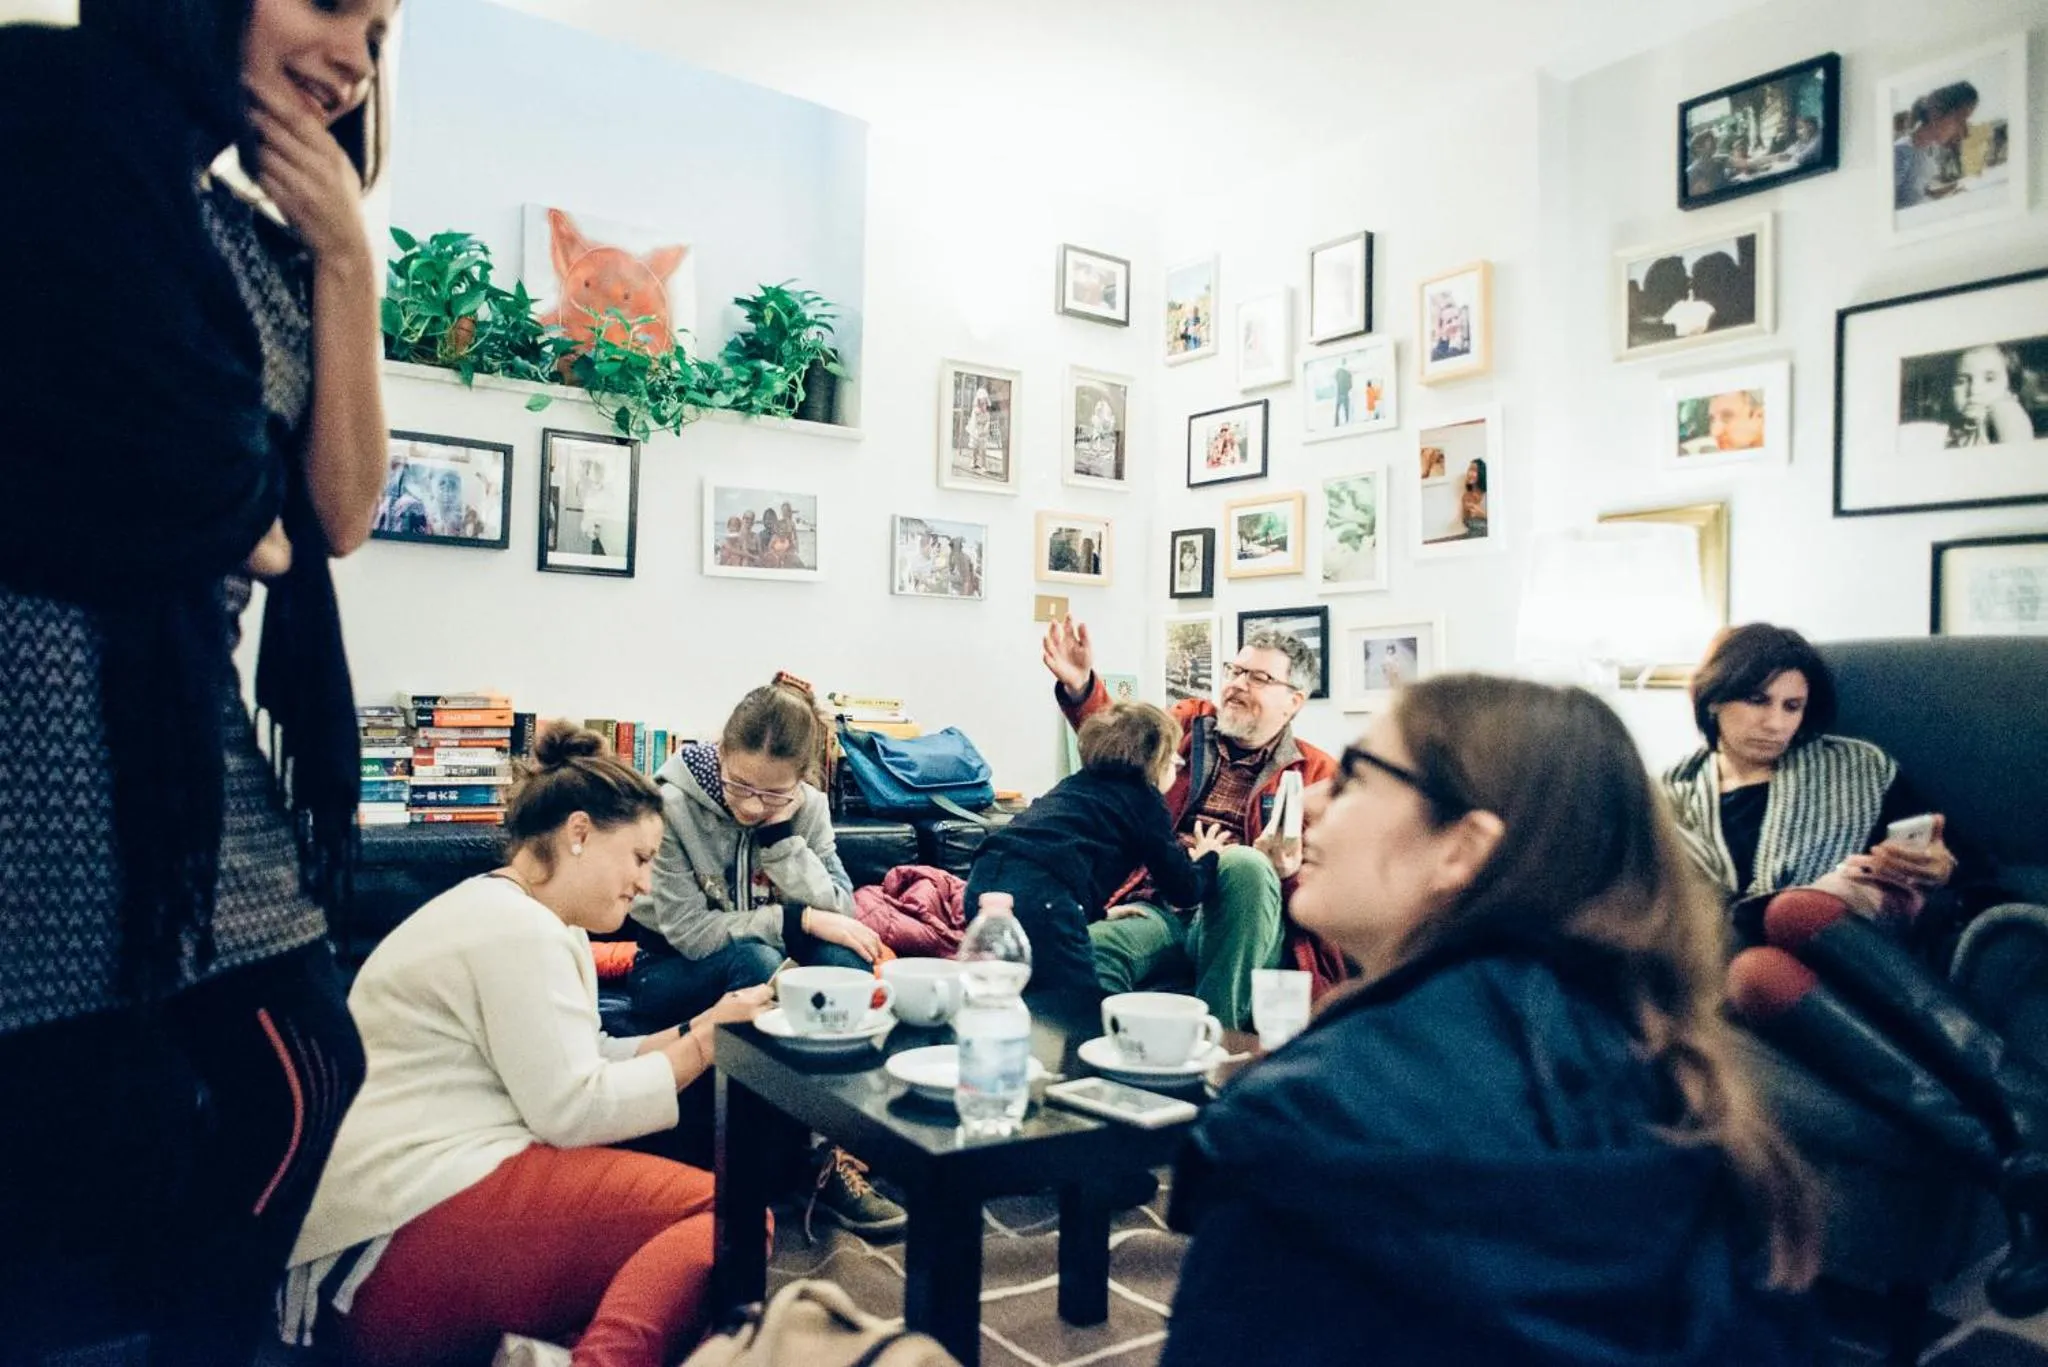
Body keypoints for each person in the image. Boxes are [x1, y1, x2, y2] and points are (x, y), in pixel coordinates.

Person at [0, 0, 394, 1359]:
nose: (355, 52)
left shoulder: (262, 253)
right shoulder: (40, 137)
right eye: (334, 2)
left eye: (384, 34)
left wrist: (349, 258)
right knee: (74, 1145)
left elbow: (332, 515)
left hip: (185, 751)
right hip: (38, 722)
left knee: (297, 1069)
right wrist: (222, 506)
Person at [1161, 675, 1823, 1365]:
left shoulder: (1308, 1117)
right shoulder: (1692, 1096)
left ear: (1464, 847)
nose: (1318, 798)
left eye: (1356, 774)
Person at [281, 724, 772, 1366]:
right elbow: (574, 1110)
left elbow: (589, 1058)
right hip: (385, 1241)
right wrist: (707, 1040)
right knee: (727, 1219)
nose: (646, 885)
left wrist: (704, 1023)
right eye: (641, 858)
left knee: (675, 1240)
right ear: (578, 833)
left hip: (382, 1230)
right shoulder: (517, 930)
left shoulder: (517, 915)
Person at [1662, 624, 2048, 1316]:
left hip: (1865, 952)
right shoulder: (1670, 797)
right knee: (1751, 969)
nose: (1776, 722)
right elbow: (1678, 917)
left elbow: (1964, 859)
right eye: (1758, 700)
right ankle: (2017, 1148)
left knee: (1792, 915)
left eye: (1793, 705)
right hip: (1750, 975)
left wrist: (1939, 864)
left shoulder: (1856, 765)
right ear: (1712, 696)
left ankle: (2024, 1104)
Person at [625, 674, 906, 1236]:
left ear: (800, 780)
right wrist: (795, 918)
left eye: (775, 793)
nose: (753, 805)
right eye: (740, 785)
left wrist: (783, 843)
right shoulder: (669, 804)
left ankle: (831, 1160)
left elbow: (842, 908)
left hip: (771, 953)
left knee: (846, 969)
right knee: (758, 970)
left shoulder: (806, 809)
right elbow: (690, 932)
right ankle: (764, 1166)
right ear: (722, 753)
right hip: (669, 970)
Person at [1043, 618, 1343, 1029]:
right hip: (1163, 906)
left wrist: (1288, 875)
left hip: (1246, 921)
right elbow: (1126, 742)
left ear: (1294, 701)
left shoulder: (1319, 774)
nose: (1237, 684)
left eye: (1258, 678)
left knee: (1242, 864)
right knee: (1087, 952)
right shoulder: (1186, 726)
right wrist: (1081, 687)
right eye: (1235, 671)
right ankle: (1104, 1071)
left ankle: (1214, 1052)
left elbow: (1335, 896)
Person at [966, 703, 1232, 1001]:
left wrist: (1097, 911)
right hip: (1043, 897)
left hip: (983, 880)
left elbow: (1065, 854)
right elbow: (1183, 890)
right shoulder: (1145, 802)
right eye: (1174, 760)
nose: (1177, 766)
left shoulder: (1073, 786)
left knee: (999, 995)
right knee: (1076, 1006)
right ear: (1156, 761)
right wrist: (1208, 857)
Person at [1895, 81, 1978, 210]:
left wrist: (1948, 192)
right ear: (1936, 114)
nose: (1965, 132)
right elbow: (1892, 208)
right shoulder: (1900, 153)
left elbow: (1917, 194)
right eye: (1959, 120)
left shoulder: (1929, 151)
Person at [1945, 343, 2034, 447]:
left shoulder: (2005, 410)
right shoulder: (1959, 430)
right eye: (1961, 381)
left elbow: (2019, 458)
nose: (1974, 390)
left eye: (1989, 379)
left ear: (2011, 389)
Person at [1459, 457, 1489, 537]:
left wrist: (1482, 514)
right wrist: (1467, 514)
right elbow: (1466, 522)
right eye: (1469, 470)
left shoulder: (1489, 494)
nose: (1469, 473)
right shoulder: (1466, 496)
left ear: (1482, 473)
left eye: (1474, 470)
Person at [1331, 358, 1353, 426]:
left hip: (1339, 393)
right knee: (1346, 410)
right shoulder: (1348, 373)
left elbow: (1334, 378)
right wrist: (1346, 388)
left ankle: (1336, 423)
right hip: (1345, 394)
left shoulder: (1338, 371)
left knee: (1337, 410)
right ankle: (1346, 422)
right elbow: (1350, 386)